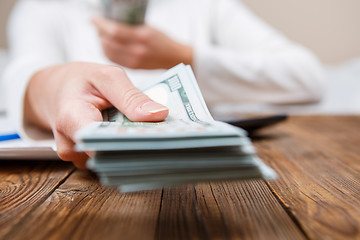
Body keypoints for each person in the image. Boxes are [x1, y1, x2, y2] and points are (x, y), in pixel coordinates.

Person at [3, 0, 325, 168]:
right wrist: (56, 86)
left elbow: (308, 77)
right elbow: (21, 76)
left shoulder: (207, 5)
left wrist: (184, 56)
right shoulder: (42, 8)